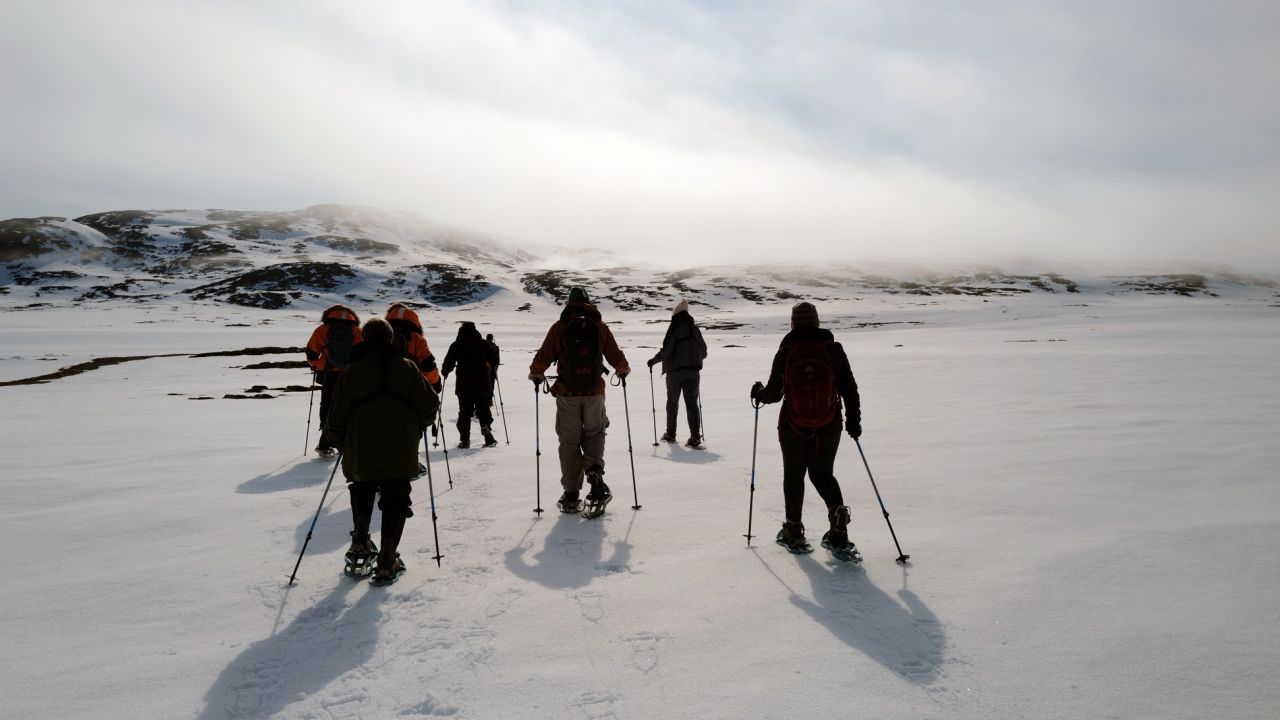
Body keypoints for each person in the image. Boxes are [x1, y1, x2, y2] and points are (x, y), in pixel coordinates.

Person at [322, 317, 438, 585]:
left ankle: (360, 542)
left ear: (363, 339)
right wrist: (418, 425)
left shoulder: (351, 372)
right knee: (396, 498)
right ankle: (387, 561)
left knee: (362, 487)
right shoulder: (407, 368)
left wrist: (341, 442)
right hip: (400, 447)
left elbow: (335, 418)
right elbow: (430, 406)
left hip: (360, 446)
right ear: (390, 339)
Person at [749, 302, 861, 557]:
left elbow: (775, 394)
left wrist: (758, 394)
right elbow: (849, 389)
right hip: (829, 423)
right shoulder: (833, 349)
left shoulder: (786, 351)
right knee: (823, 474)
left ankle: (794, 531)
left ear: (793, 323)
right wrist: (854, 423)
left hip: (793, 425)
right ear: (816, 322)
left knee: (794, 474)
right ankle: (838, 521)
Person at [529, 287, 630, 514]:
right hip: (594, 394)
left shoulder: (560, 327)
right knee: (595, 434)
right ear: (588, 303)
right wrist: (623, 370)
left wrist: (536, 373)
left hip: (567, 395)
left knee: (569, 442)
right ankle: (594, 476)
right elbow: (616, 356)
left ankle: (571, 494)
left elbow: (543, 357)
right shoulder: (600, 327)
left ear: (569, 303)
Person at [647, 299, 708, 447]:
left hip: (675, 374)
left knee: (672, 404)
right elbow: (704, 352)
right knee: (692, 404)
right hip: (693, 373)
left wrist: (654, 361)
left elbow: (666, 351)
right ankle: (695, 437)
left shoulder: (674, 329)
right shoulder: (695, 330)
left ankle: (670, 434)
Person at [305, 304, 362, 457]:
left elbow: (311, 353)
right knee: (348, 407)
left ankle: (324, 443)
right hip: (349, 375)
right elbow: (362, 353)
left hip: (329, 374)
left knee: (328, 407)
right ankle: (345, 443)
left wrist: (316, 365)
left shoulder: (323, 329)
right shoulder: (356, 331)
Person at [441, 321, 500, 448]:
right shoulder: (483, 343)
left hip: (464, 384)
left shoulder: (457, 345)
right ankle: (487, 432)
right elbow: (494, 359)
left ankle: (465, 440)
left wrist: (445, 372)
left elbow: (448, 362)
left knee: (464, 412)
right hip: (482, 382)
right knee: (483, 408)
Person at [386, 303, 442, 391]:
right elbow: (427, 364)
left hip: (382, 389)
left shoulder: (381, 333)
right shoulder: (416, 338)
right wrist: (436, 384)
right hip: (409, 390)